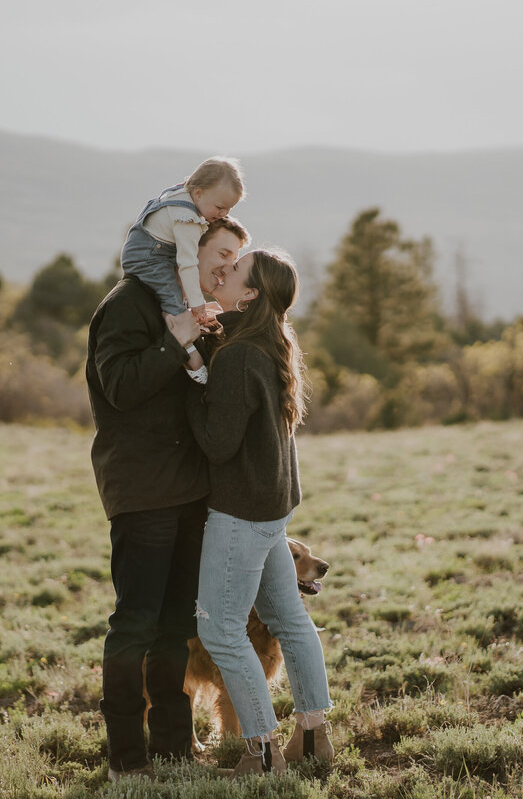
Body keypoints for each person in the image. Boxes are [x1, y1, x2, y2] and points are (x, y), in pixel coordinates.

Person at [86, 217, 250, 782]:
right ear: (190, 250)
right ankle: (127, 758)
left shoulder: (197, 309)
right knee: (135, 624)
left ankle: (177, 750)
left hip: (190, 491)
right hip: (141, 487)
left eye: (236, 261)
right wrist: (174, 340)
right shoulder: (130, 302)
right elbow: (120, 386)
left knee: (177, 624)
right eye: (221, 256)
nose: (227, 269)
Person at [186, 249, 334, 777]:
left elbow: (217, 444)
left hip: (242, 509)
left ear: (249, 294)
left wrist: (193, 378)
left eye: (234, 270)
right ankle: (314, 738)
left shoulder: (239, 355)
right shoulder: (273, 340)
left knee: (222, 630)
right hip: (274, 505)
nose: (222, 273)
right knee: (291, 620)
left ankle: (262, 753)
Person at [120, 156, 245, 327]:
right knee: (173, 301)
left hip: (140, 246)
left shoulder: (180, 193)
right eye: (219, 207)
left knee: (173, 295)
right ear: (198, 193)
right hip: (149, 257)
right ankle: (184, 335)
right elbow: (188, 263)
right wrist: (197, 304)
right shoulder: (188, 220)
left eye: (229, 209)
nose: (223, 214)